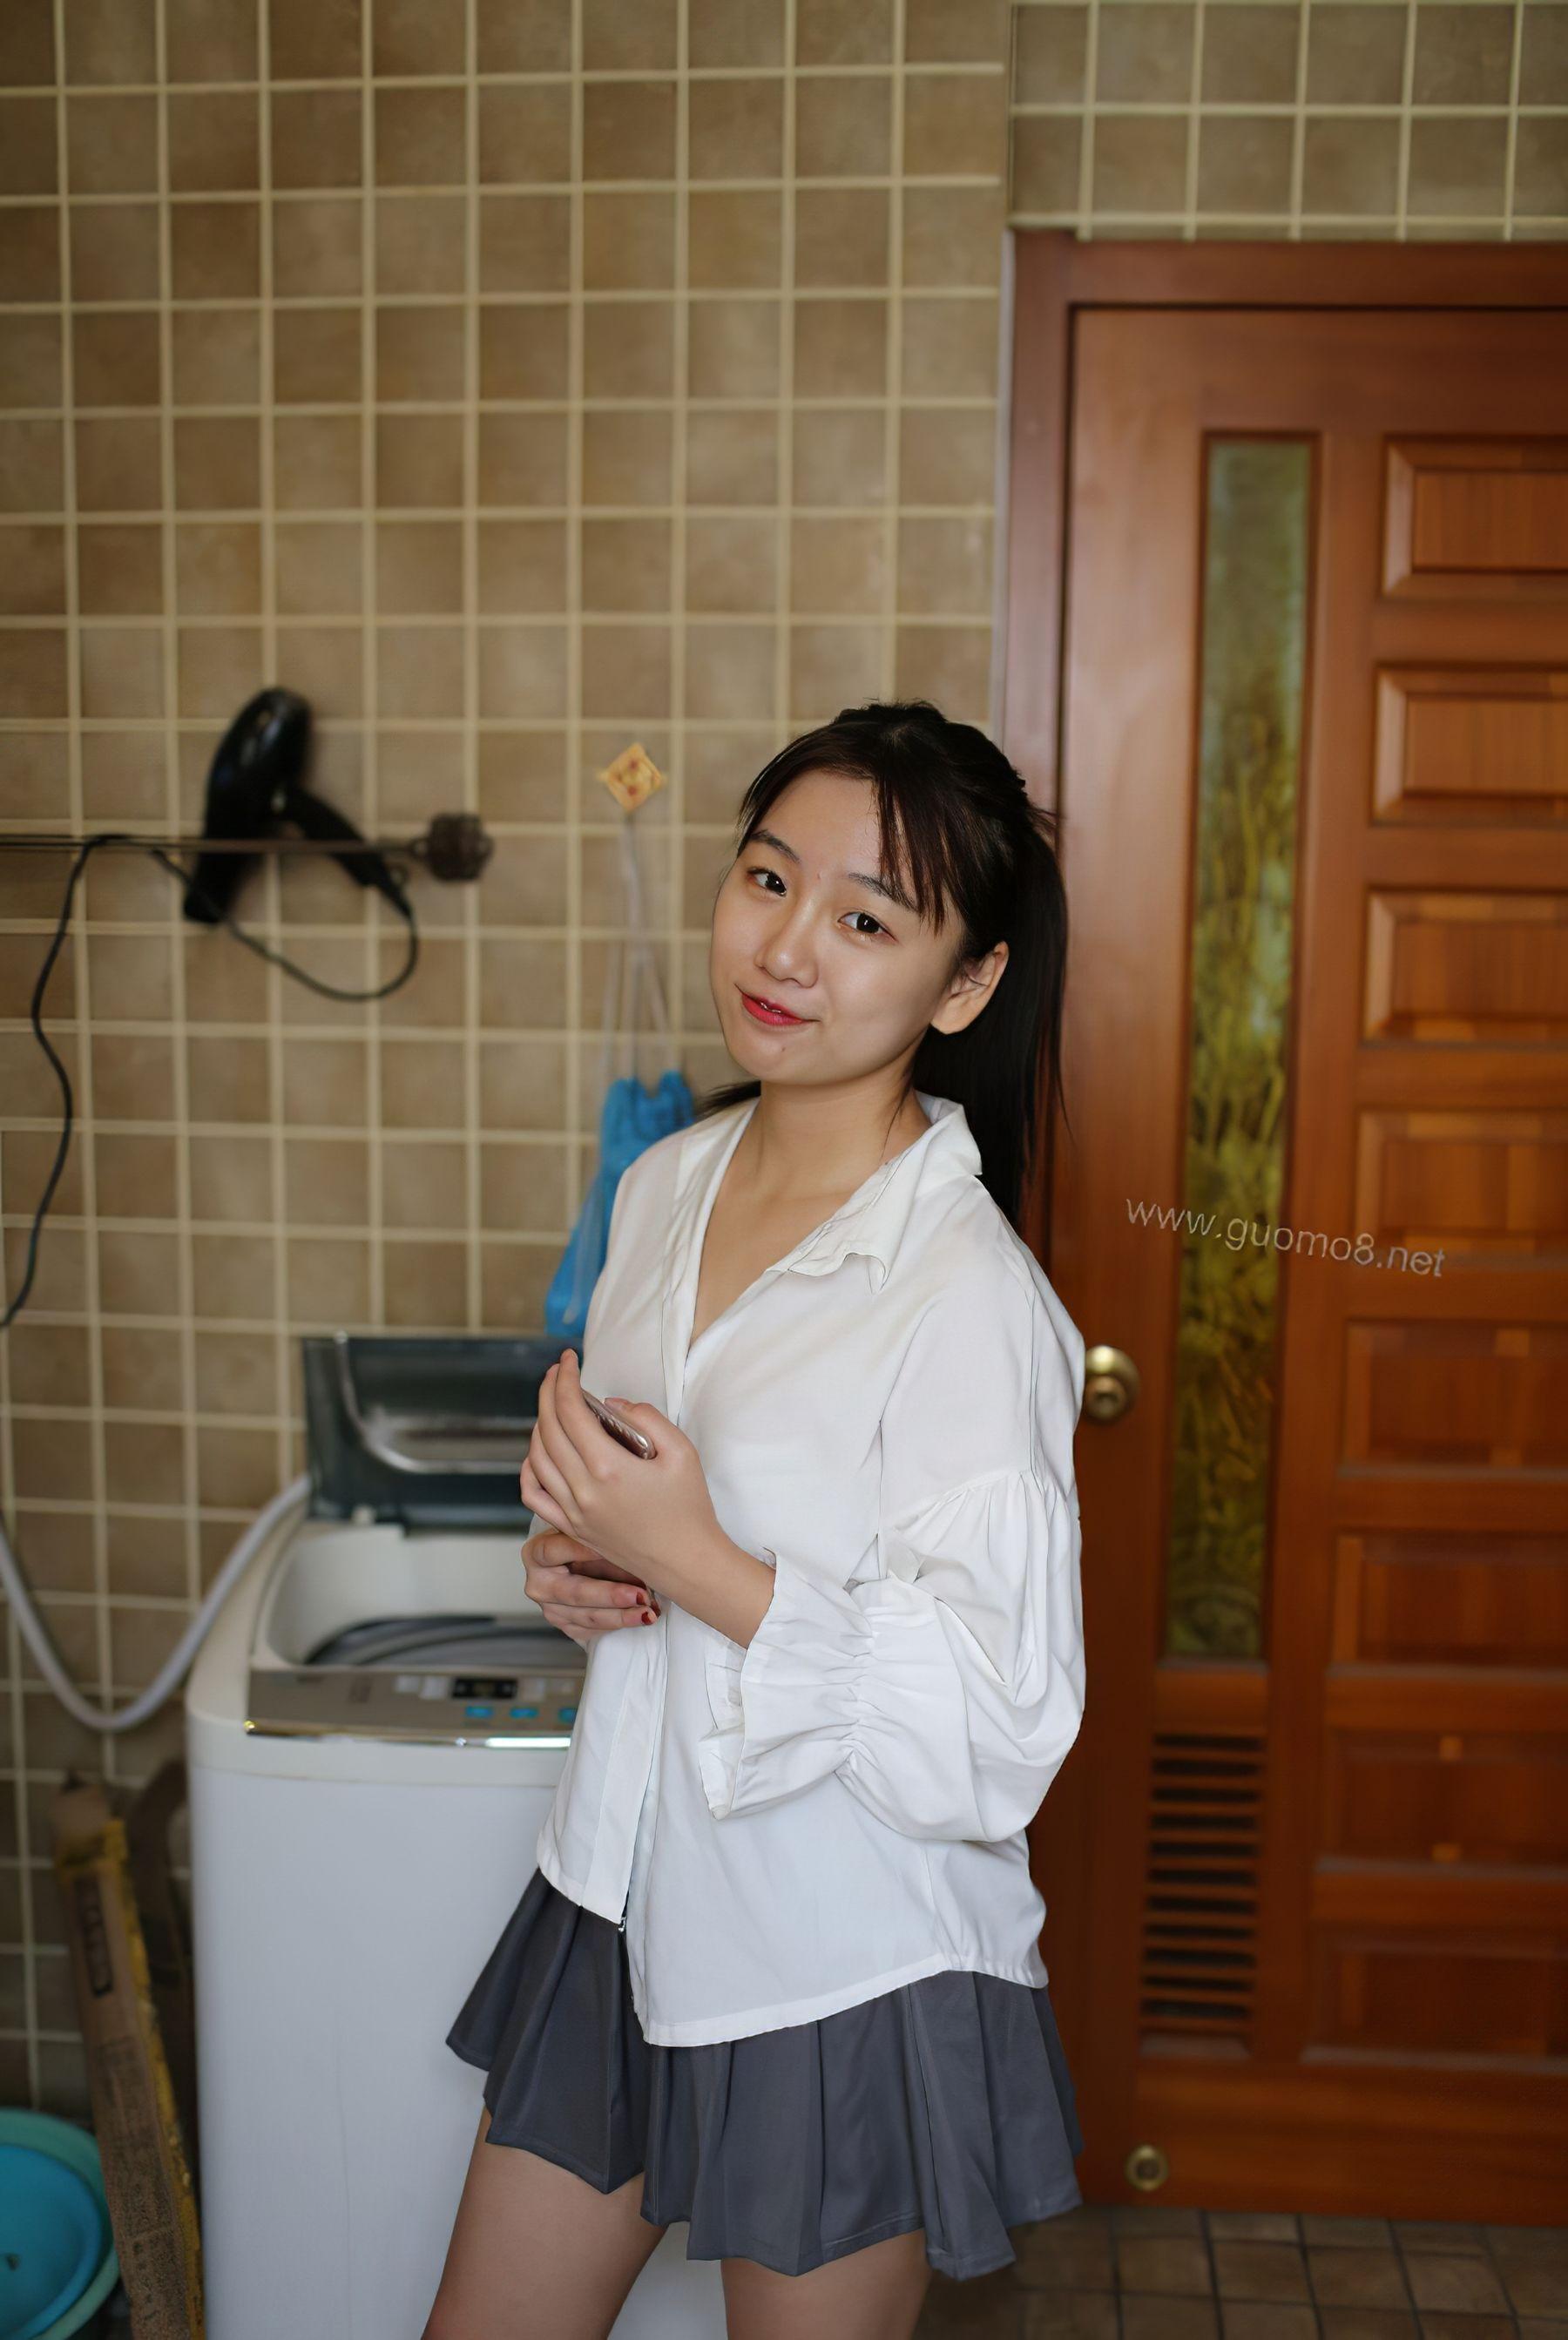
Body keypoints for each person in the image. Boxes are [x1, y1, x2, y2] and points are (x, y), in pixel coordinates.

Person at [424, 700, 1087, 2340]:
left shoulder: (971, 1296)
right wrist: (587, 1561)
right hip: (614, 1885)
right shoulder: (665, 1186)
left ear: (965, 984)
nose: (786, 947)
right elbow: (644, 1522)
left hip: (838, 1955)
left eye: (866, 919)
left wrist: (699, 1558)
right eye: (769, 878)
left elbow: (1002, 1724)